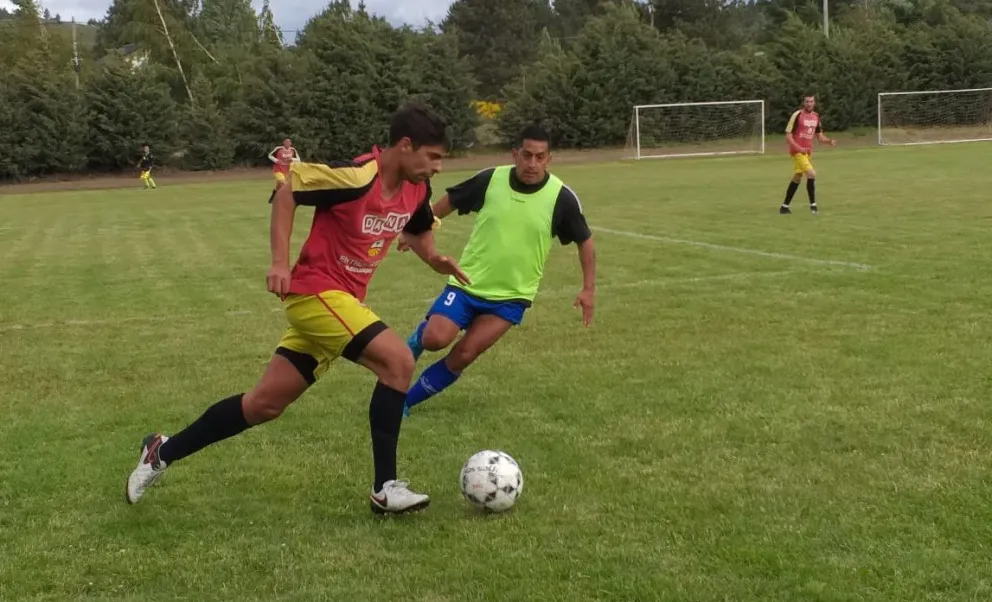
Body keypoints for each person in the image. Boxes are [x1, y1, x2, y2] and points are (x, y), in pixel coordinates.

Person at [125, 104, 469, 515]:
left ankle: (161, 451)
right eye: (433, 156)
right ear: (405, 145)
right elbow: (288, 190)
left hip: (340, 306)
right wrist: (277, 261)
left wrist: (434, 260)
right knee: (397, 361)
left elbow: (416, 228)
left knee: (263, 405)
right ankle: (385, 488)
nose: (438, 167)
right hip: (315, 294)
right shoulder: (359, 176)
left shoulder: (416, 189)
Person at [398, 123, 596, 417]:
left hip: (511, 297)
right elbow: (451, 201)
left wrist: (588, 288)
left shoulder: (561, 197)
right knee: (435, 339)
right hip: (467, 283)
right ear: (515, 153)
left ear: (549, 159)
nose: (532, 163)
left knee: (464, 354)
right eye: (526, 155)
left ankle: (404, 402)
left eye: (540, 157)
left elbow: (585, 242)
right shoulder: (491, 179)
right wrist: (415, 229)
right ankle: (419, 337)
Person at [780, 95, 835, 215]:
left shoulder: (816, 116)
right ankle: (813, 206)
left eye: (811, 101)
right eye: (807, 102)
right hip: (797, 151)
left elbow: (819, 137)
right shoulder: (797, 115)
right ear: (803, 103)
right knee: (811, 173)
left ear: (814, 102)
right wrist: (798, 148)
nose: (809, 104)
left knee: (797, 177)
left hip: (807, 152)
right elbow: (788, 135)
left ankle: (784, 207)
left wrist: (829, 141)